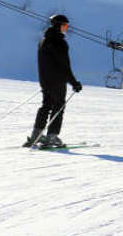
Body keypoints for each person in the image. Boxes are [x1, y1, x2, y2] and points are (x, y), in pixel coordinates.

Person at [25, 14, 82, 147]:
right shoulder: (60, 43)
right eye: (65, 25)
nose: (66, 28)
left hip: (45, 80)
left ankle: (36, 135)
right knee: (59, 106)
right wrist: (74, 82)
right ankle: (52, 137)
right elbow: (64, 65)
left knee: (46, 106)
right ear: (59, 25)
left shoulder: (43, 40)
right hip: (57, 80)